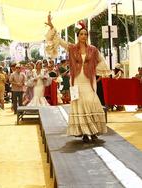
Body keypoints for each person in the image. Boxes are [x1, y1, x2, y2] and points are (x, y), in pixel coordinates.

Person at [45, 12, 111, 142]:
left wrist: (95, 70)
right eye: (81, 34)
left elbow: (102, 61)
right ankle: (85, 133)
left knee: (92, 101)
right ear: (77, 36)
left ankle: (93, 130)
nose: (83, 36)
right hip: (76, 81)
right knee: (79, 104)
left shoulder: (93, 49)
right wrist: (52, 25)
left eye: (85, 34)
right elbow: (59, 40)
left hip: (89, 80)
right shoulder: (72, 48)